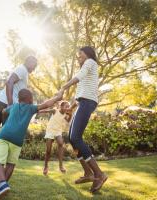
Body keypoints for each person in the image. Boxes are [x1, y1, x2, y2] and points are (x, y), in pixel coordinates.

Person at [0, 88, 63, 200]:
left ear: (19, 99)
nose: (33, 99)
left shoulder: (13, 107)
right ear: (29, 99)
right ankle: (2, 187)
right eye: (32, 97)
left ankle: (2, 185)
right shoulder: (31, 108)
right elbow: (46, 104)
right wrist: (57, 97)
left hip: (4, 135)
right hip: (17, 140)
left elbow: (4, 112)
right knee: (11, 164)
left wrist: (5, 122)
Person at [58, 46, 108, 193]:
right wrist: (71, 107)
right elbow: (80, 93)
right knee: (71, 138)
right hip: (83, 102)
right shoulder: (87, 68)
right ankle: (88, 173)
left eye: (80, 54)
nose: (78, 57)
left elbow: (79, 76)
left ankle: (99, 174)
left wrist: (64, 86)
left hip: (88, 102)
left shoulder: (90, 62)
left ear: (87, 54)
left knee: (76, 137)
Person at [40, 101, 72, 175]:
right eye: (66, 106)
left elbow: (68, 120)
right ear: (61, 106)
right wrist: (38, 110)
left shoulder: (65, 114)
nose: (67, 108)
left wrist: (70, 115)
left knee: (61, 143)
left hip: (58, 131)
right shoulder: (55, 110)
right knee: (48, 150)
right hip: (50, 130)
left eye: (68, 106)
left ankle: (61, 166)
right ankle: (45, 166)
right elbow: (46, 110)